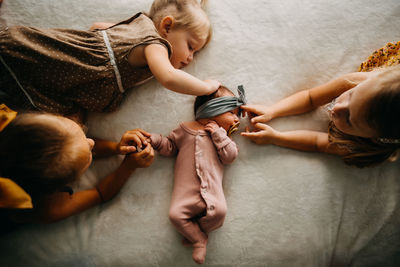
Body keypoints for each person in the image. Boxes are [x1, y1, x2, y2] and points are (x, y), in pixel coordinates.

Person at [0, 0, 219, 122]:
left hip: (73, 59)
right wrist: (205, 87)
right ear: (167, 26)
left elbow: (98, 26)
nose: (190, 58)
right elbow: (169, 78)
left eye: (195, 53)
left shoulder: (139, 23)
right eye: (190, 46)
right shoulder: (156, 44)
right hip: (68, 62)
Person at [241, 41, 400, 168]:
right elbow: (311, 97)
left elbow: (318, 143)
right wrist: (273, 110)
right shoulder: (358, 83)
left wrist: (277, 137)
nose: (337, 108)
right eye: (350, 96)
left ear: (376, 137)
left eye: (349, 120)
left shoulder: (369, 148)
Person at [0, 104, 154, 227]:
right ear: (65, 183)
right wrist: (128, 166)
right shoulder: (48, 208)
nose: (92, 142)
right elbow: (100, 193)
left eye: (81, 131)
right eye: (89, 155)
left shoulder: (12, 124)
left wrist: (116, 148)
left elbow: (73, 148)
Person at [149, 85, 245, 264]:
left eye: (237, 114)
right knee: (175, 216)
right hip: (186, 195)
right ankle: (200, 239)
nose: (236, 119)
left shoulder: (223, 137)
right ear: (212, 109)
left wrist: (219, 135)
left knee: (220, 214)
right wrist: (155, 141)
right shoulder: (185, 129)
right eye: (232, 112)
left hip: (213, 196)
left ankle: (196, 234)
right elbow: (170, 146)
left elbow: (230, 157)